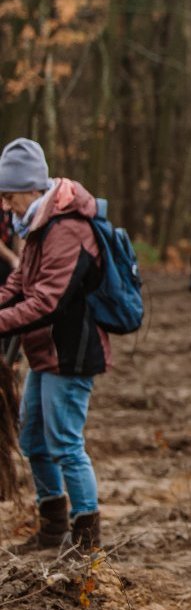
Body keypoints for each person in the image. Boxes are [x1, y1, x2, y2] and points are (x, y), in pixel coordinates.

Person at [0, 139, 112, 552]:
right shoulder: (37, 223)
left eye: (8, 196)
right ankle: (51, 531)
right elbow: (19, 283)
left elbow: (47, 300)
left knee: (65, 443)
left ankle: (86, 543)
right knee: (33, 440)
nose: (6, 205)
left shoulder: (67, 228)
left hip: (72, 352)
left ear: (30, 188)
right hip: (44, 353)